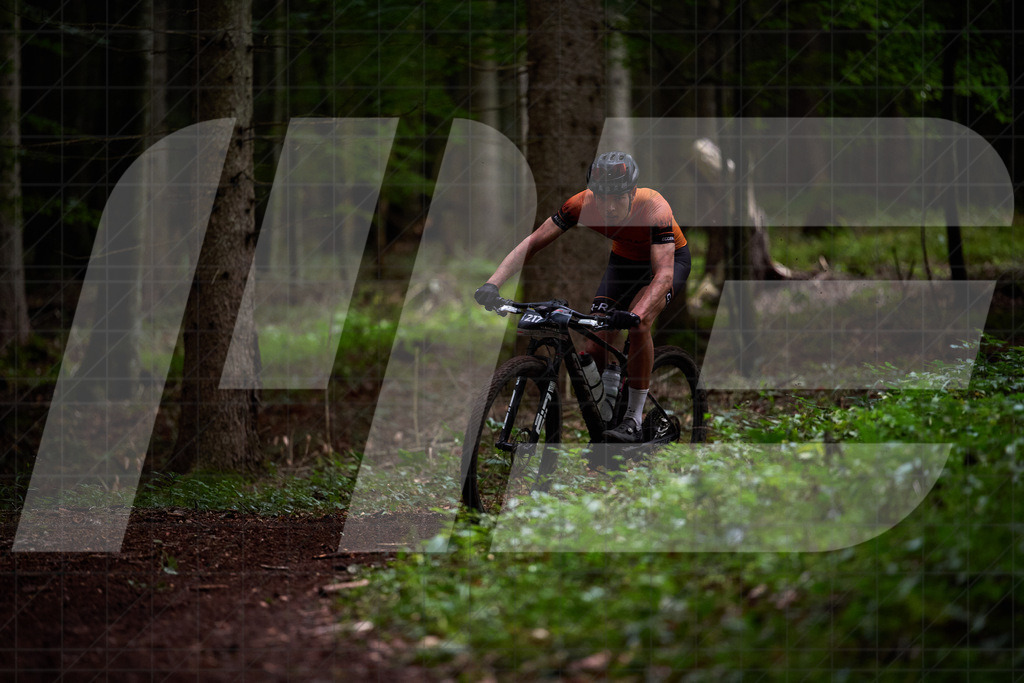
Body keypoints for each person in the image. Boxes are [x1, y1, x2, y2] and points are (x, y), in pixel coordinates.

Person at [474, 151, 691, 443]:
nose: (609, 207)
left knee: (639, 325)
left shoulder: (654, 207)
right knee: (595, 339)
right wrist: (493, 283)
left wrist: (636, 313)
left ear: (632, 192)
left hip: (669, 261)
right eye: (602, 198)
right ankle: (605, 421)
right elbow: (533, 242)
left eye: (617, 198)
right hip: (623, 263)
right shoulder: (580, 204)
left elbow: (663, 274)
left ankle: (635, 419)